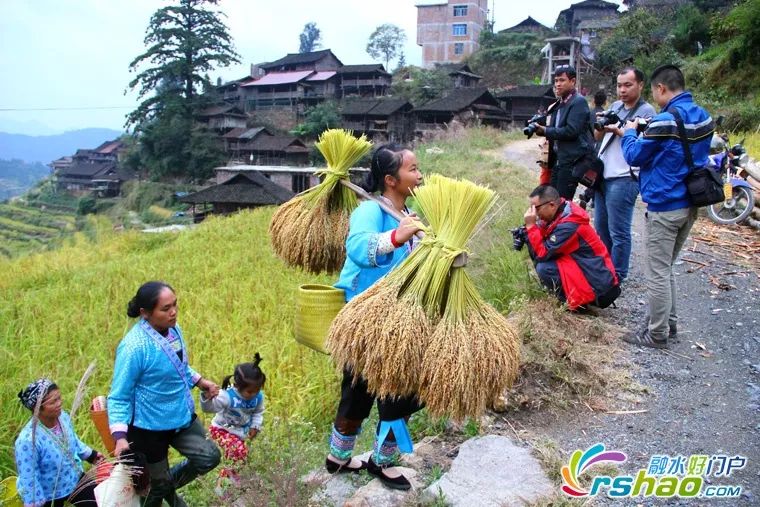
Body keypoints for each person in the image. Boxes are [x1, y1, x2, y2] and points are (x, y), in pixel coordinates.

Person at [326, 143, 424, 491]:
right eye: (413, 169)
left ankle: (378, 457)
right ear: (390, 179)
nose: (420, 174)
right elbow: (358, 247)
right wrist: (398, 237)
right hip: (365, 314)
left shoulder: (409, 213)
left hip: (400, 314)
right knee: (365, 387)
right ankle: (348, 456)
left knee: (401, 387)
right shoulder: (370, 211)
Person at [620, 64, 714, 349]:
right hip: (690, 203)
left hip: (665, 205)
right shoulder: (704, 117)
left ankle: (656, 333)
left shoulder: (665, 120)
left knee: (657, 271)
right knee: (666, 267)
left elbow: (634, 155)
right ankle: (668, 323)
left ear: (661, 89)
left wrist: (629, 132)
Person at [108, 281, 222, 507]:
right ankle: (162, 492)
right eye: (165, 308)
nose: (173, 312)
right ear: (145, 313)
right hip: (148, 427)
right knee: (156, 488)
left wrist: (199, 381)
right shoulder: (133, 348)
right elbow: (119, 396)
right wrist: (120, 438)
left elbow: (177, 366)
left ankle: (163, 488)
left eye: (175, 305)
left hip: (180, 416)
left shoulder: (173, 330)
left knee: (210, 456)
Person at [593, 67, 657, 282]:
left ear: (640, 85)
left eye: (628, 85)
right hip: (604, 175)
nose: (622, 90)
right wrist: (602, 124)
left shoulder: (647, 112)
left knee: (618, 231)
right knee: (601, 228)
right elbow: (596, 136)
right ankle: (605, 271)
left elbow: (645, 146)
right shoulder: (615, 106)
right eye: (619, 85)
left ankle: (618, 276)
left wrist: (621, 130)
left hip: (625, 176)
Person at [523, 185, 619, 311]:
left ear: (552, 205)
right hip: (591, 273)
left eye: (536, 208)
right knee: (546, 263)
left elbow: (542, 254)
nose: (534, 213)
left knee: (544, 268)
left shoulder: (569, 225)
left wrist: (531, 226)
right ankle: (574, 298)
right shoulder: (562, 212)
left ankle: (576, 306)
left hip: (599, 286)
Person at [15, 378, 104, 507]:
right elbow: (29, 476)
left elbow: (73, 440)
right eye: (53, 402)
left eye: (59, 398)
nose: (59, 403)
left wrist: (92, 455)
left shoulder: (63, 417)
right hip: (49, 492)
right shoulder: (28, 440)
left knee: (99, 502)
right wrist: (35, 502)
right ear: (37, 408)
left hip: (73, 477)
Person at [200, 353, 266, 489]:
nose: (254, 394)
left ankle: (224, 486)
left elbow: (258, 412)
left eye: (257, 390)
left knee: (238, 458)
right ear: (237, 386)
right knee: (239, 452)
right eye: (249, 391)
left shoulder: (257, 397)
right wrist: (207, 398)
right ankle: (232, 483)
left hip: (240, 433)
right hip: (221, 430)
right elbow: (209, 408)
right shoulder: (227, 396)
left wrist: (255, 426)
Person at [534, 65, 595, 200]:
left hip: (570, 162)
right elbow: (555, 125)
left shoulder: (578, 102)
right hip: (559, 160)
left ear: (572, 81)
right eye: (556, 81)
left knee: (562, 202)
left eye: (562, 80)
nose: (558, 84)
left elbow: (571, 131)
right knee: (552, 201)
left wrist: (545, 131)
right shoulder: (560, 103)